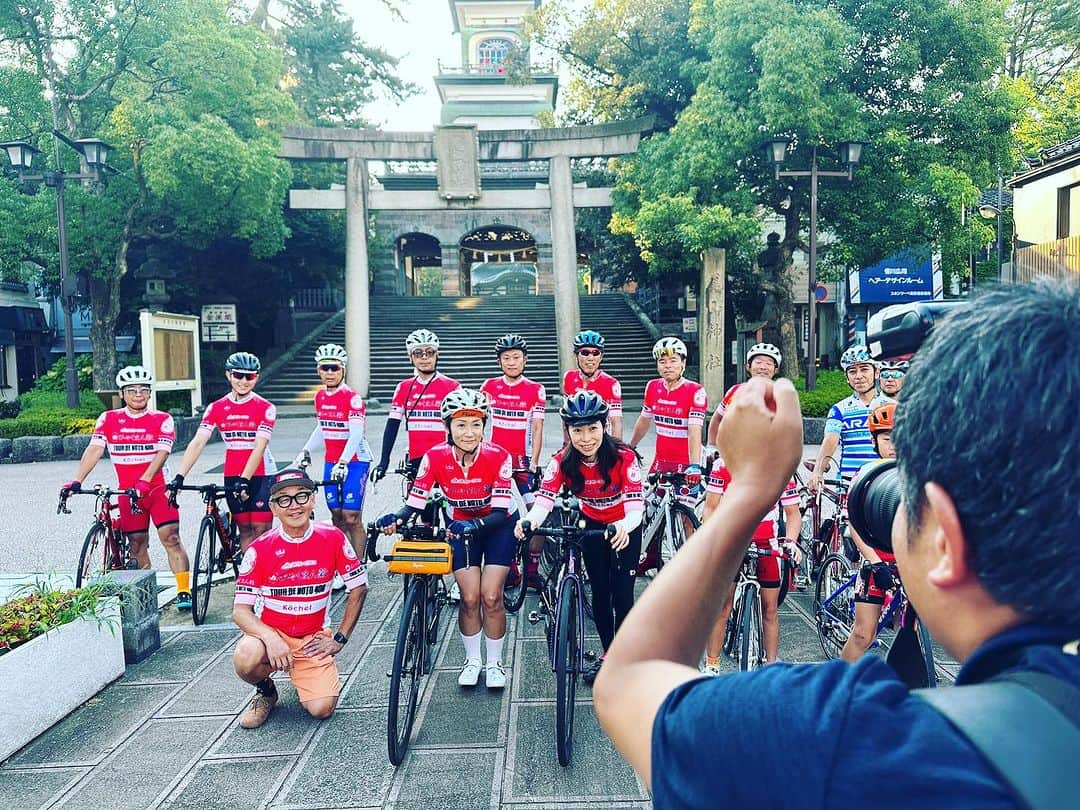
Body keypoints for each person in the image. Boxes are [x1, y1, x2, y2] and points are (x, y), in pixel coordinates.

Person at [594, 279, 1080, 807]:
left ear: (944, 539)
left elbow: (628, 683)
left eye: (904, 493)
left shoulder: (848, 738)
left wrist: (753, 487)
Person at [375, 389, 518, 689]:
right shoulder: (435, 457)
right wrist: (395, 518)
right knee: (469, 597)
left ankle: (494, 663)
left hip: (498, 524)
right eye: (461, 425)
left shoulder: (498, 456)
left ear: (485, 426)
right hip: (461, 523)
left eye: (476, 424)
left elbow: (501, 511)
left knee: (491, 596)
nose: (469, 432)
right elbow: (415, 502)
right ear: (448, 427)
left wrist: (475, 525)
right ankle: (473, 661)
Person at [517, 391, 643, 684]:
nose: (586, 438)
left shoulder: (624, 456)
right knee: (599, 592)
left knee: (622, 595)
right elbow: (544, 502)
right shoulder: (561, 460)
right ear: (568, 431)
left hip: (624, 526)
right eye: (578, 430)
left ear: (604, 427)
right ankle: (610, 654)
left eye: (592, 429)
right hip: (593, 525)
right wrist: (529, 521)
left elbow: (636, 507)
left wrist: (625, 525)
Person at [232, 469, 368, 729]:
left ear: (313, 500)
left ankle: (305, 673)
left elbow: (359, 588)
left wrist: (339, 638)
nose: (294, 506)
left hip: (312, 639)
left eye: (301, 497)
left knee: (322, 709)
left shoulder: (333, 537)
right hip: (271, 636)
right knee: (245, 656)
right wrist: (271, 639)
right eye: (284, 499)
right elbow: (240, 611)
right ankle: (266, 691)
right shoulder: (259, 549)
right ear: (273, 507)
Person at [60, 366, 192, 608]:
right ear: (122, 393)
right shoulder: (109, 419)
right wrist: (77, 480)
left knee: (170, 537)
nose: (138, 394)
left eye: (143, 390)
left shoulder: (162, 419)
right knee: (137, 544)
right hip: (127, 491)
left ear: (150, 393)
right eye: (132, 390)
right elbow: (94, 449)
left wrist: (144, 481)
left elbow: (162, 453)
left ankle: (183, 590)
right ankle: (144, 594)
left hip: (157, 489)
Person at [700, 457, 800, 674]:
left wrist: (791, 543)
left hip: (767, 543)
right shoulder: (723, 465)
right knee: (723, 606)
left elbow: (793, 513)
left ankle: (771, 666)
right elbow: (710, 508)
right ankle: (712, 664)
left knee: (770, 609)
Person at [170, 352, 276, 553]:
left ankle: (266, 578)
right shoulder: (216, 407)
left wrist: (245, 479)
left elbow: (259, 446)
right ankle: (249, 579)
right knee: (245, 529)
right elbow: (198, 441)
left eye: (250, 376)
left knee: (261, 529)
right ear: (229, 375)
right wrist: (179, 476)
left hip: (262, 473)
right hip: (232, 471)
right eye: (238, 375)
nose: (244, 381)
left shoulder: (266, 407)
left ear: (257, 377)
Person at [628, 337, 707, 572]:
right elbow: (644, 420)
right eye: (662, 361)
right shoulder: (653, 387)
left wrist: (694, 466)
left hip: (688, 464)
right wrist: (629, 446)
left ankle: (690, 566)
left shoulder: (695, 391)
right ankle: (651, 557)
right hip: (661, 463)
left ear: (683, 363)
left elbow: (695, 431)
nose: (668, 366)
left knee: (685, 516)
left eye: (673, 360)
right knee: (648, 510)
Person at [291, 344, 373, 558]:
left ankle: (359, 564)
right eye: (325, 368)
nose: (329, 373)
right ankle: (344, 563)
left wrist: (344, 461)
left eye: (334, 368)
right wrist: (306, 450)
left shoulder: (352, 398)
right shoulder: (320, 397)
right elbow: (323, 427)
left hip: (355, 461)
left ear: (343, 370)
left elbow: (356, 434)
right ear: (318, 370)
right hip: (331, 460)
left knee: (351, 515)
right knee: (336, 515)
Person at [480, 334, 546, 589]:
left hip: (523, 464)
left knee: (539, 517)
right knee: (498, 515)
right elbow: (481, 424)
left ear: (525, 360)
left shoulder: (535, 389)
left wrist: (534, 462)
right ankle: (511, 569)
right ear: (499, 362)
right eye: (506, 358)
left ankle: (532, 570)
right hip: (495, 464)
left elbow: (538, 428)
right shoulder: (489, 386)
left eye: (516, 357)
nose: (511, 362)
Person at [840, 402, 899, 663]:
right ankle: (835, 688)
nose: (894, 445)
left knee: (908, 633)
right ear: (875, 441)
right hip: (876, 563)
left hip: (909, 564)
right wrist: (875, 564)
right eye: (887, 438)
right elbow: (855, 524)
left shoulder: (917, 473)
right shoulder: (864, 475)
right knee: (864, 634)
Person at [371, 329, 460, 487]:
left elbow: (462, 426)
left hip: (447, 458)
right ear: (410, 357)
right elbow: (392, 427)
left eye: (430, 352)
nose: (425, 358)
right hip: (416, 460)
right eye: (418, 353)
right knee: (423, 509)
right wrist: (383, 462)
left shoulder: (452, 387)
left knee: (451, 511)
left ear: (437, 354)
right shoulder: (404, 387)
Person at [808, 345, 893, 491]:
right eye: (852, 371)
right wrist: (817, 473)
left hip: (885, 482)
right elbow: (830, 440)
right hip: (849, 485)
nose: (858, 376)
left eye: (864, 369)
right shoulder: (839, 410)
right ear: (847, 377)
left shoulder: (893, 406)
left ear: (877, 372)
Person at [704, 342, 782, 458]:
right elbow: (717, 419)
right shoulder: (735, 391)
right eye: (758, 362)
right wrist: (711, 446)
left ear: (775, 370)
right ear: (748, 367)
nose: (763, 367)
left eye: (769, 364)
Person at [562, 330, 623, 439]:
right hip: (577, 442)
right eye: (585, 353)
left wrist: (617, 451)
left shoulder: (611, 383)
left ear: (601, 357)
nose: (591, 358)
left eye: (595, 353)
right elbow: (566, 417)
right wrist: (566, 444)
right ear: (576, 355)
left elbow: (616, 423)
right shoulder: (569, 377)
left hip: (601, 442)